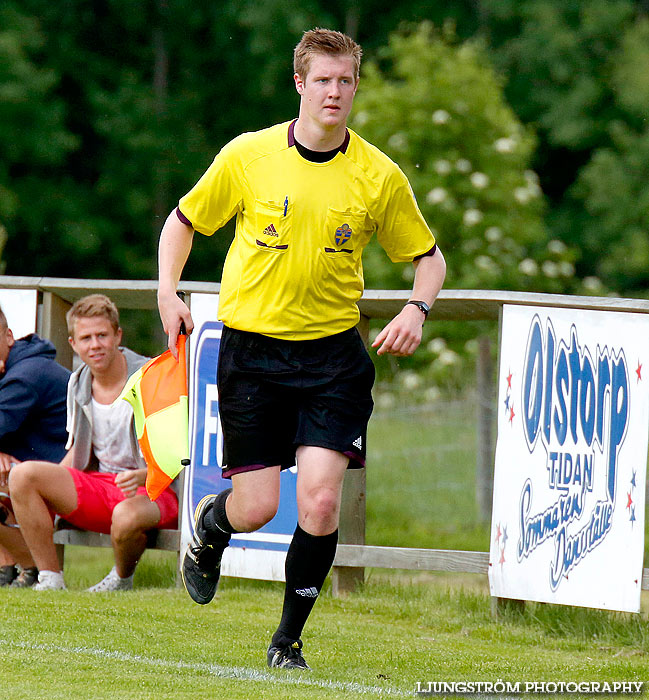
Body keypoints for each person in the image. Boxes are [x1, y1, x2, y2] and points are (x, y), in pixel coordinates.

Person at [157, 28, 446, 669]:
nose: (335, 92)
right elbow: (182, 222)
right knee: (259, 507)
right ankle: (212, 526)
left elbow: (429, 260)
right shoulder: (249, 156)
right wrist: (167, 291)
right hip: (253, 352)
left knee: (318, 500)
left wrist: (416, 308)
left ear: (356, 86)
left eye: (346, 81)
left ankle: (287, 641)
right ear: (300, 85)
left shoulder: (378, 175)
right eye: (323, 80)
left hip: (333, 358)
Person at [9, 294, 179, 591]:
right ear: (73, 344)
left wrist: (144, 475)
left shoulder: (150, 376)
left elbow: (176, 453)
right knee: (21, 475)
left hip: (153, 489)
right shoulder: (78, 381)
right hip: (102, 484)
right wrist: (44, 489)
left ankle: (121, 579)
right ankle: (49, 578)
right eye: (86, 338)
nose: (95, 345)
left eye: (102, 335)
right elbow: (76, 451)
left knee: (125, 516)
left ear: (118, 336)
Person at [0, 304, 70, 588]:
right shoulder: (18, 365)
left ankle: (30, 569)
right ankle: (9, 565)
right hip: (41, 472)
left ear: (8, 336)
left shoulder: (25, 375)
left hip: (75, 478)